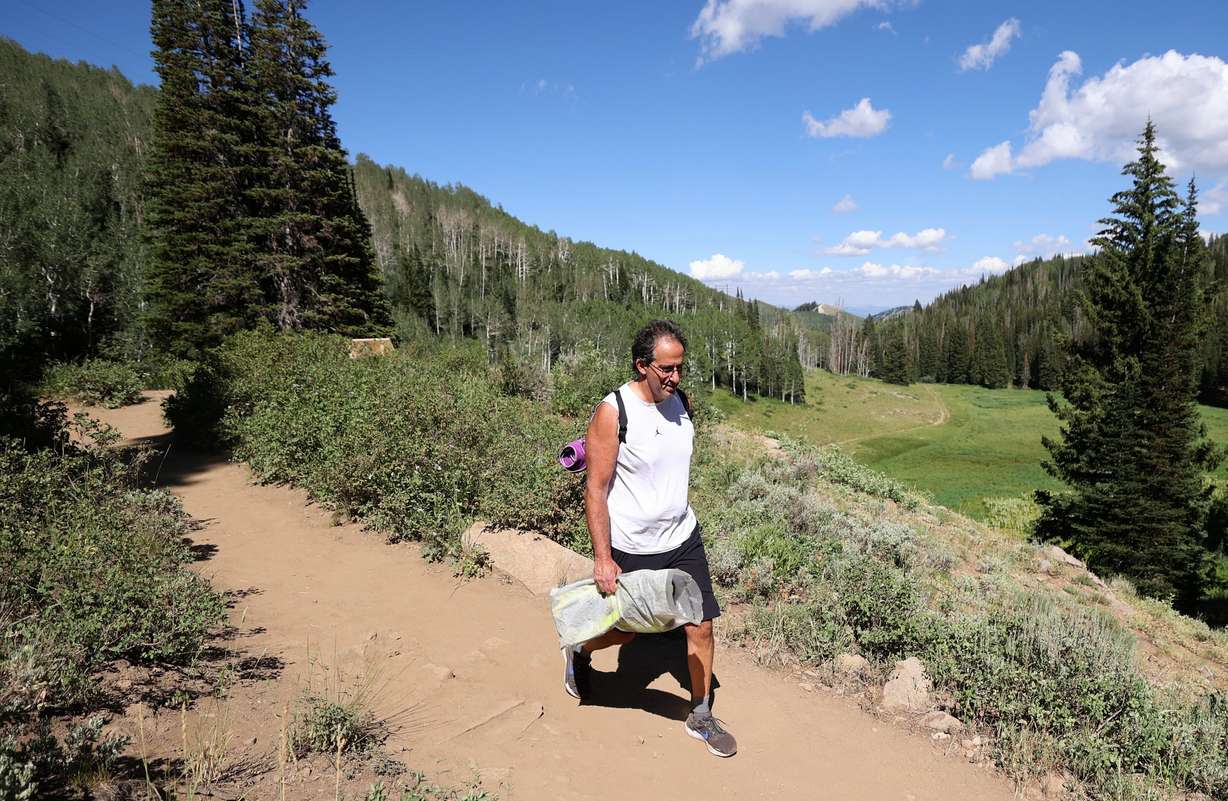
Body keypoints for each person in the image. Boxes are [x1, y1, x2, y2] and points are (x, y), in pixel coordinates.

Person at [562, 319, 737, 758]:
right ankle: (579, 649)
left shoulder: (681, 403)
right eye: (666, 369)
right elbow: (595, 489)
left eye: (680, 367)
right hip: (632, 546)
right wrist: (603, 558)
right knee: (624, 633)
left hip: (682, 538)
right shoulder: (613, 412)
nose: (675, 377)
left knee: (701, 625)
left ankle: (700, 714)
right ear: (642, 365)